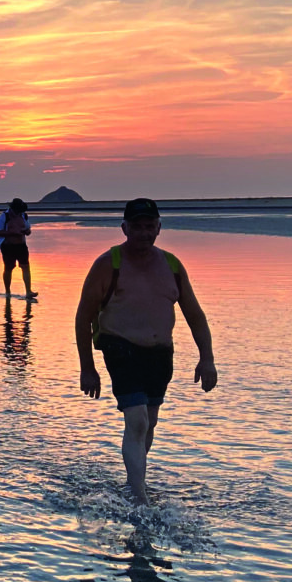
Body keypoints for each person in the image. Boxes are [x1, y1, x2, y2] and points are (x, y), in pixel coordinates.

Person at [74, 198, 217, 505]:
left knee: (149, 422)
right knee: (137, 421)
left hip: (160, 353)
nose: (143, 232)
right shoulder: (108, 263)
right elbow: (83, 316)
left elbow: (195, 315)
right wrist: (87, 367)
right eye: (136, 226)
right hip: (120, 347)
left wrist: (207, 359)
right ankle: (139, 496)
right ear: (124, 228)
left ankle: (134, 481)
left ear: (159, 228)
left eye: (149, 226)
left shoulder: (172, 265)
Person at [0, 197, 37, 300]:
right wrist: (12, 233)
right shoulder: (4, 216)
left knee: (26, 267)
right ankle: (8, 291)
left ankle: (28, 291)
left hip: (21, 245)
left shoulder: (23, 215)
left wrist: (26, 231)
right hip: (8, 246)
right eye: (17, 210)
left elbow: (28, 230)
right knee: (8, 268)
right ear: (13, 208)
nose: (18, 212)